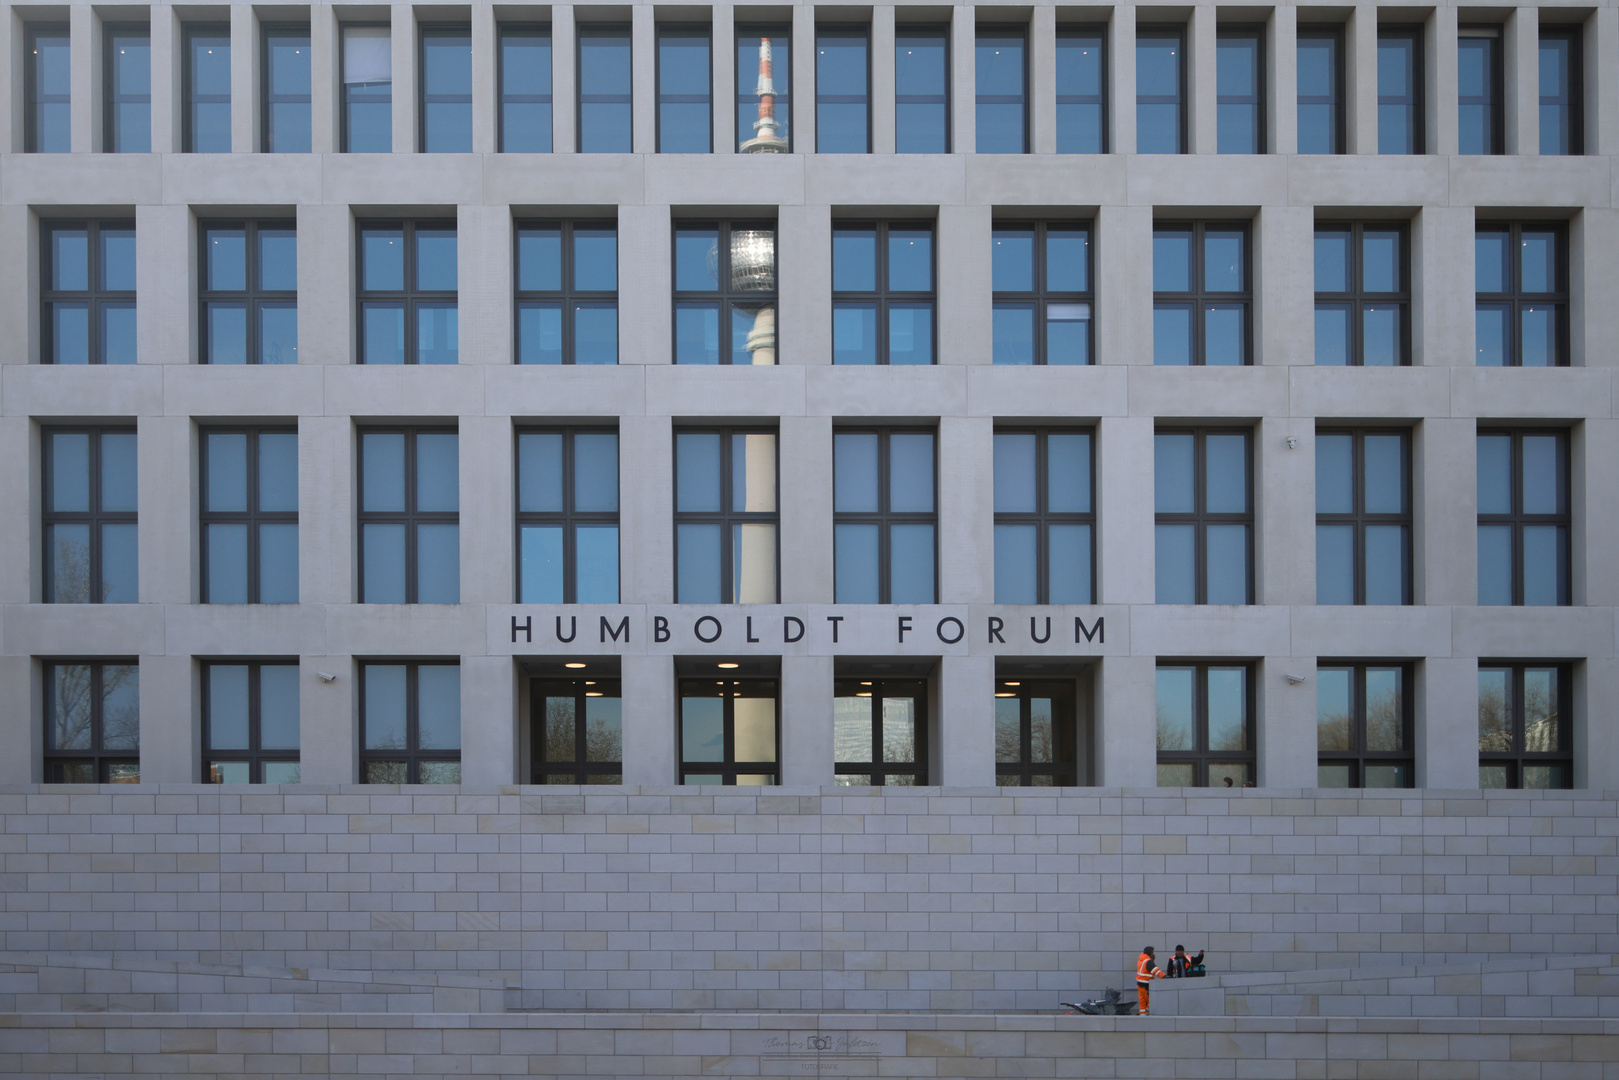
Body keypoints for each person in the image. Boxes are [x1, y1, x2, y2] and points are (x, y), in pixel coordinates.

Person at [1135, 946, 1164, 1014]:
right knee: (1151, 1000)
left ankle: (1142, 1015)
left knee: (1142, 1002)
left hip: (1139, 984)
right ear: (1150, 953)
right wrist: (1164, 976)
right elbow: (1155, 970)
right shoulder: (1148, 961)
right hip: (1146, 984)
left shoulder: (1141, 959)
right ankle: (1148, 1013)